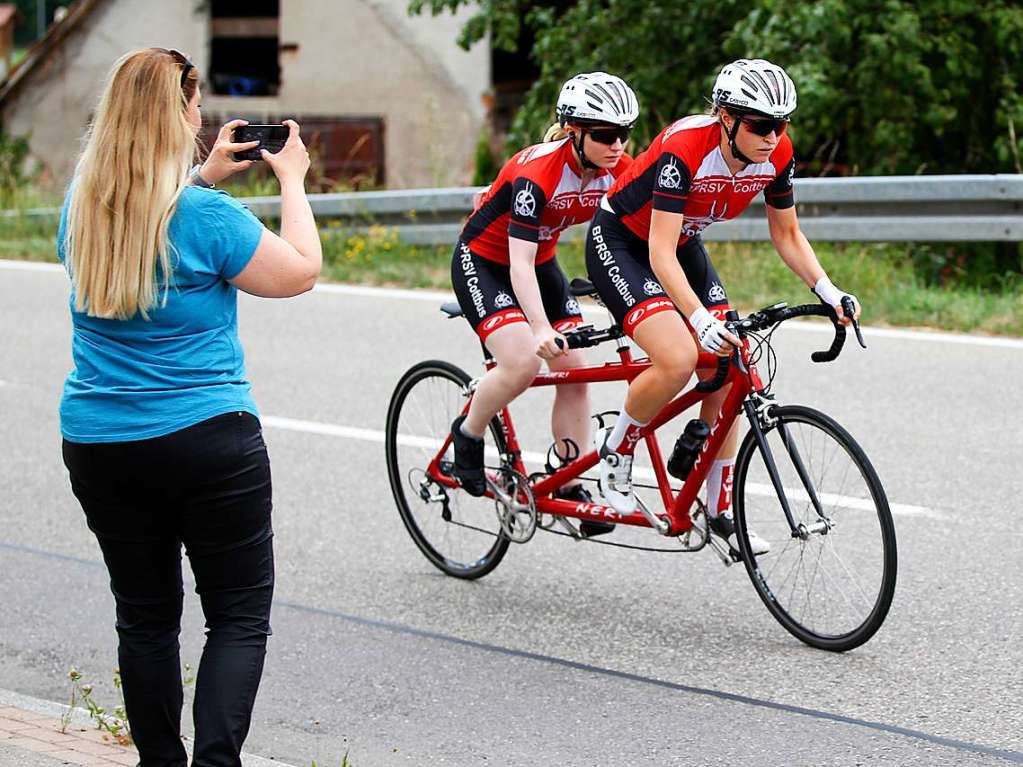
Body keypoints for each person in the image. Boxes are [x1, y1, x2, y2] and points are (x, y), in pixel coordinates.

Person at [58, 48, 322, 767]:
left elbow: (150, 229)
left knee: (144, 617)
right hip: (207, 441)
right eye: (192, 103)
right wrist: (291, 181)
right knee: (236, 615)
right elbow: (298, 272)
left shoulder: (82, 207)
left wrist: (204, 176)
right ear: (181, 113)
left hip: (99, 441)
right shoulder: (206, 218)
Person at [585, 58, 860, 553]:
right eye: (760, 125)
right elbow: (658, 252)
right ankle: (617, 449)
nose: (773, 136)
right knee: (678, 357)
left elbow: (788, 233)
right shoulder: (686, 146)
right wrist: (696, 319)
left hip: (682, 242)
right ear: (726, 118)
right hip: (626, 242)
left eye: (781, 124)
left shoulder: (777, 155)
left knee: (734, 363)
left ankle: (718, 512)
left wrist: (828, 289)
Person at [448, 72, 638, 537]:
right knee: (522, 365)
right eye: (605, 136)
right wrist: (537, 329)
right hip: (486, 262)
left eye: (624, 134)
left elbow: (631, 234)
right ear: (573, 132)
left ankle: (568, 481)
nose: (617, 145)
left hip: (544, 262)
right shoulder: (539, 175)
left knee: (574, 373)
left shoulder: (618, 167)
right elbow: (518, 264)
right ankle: (468, 435)